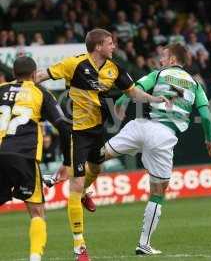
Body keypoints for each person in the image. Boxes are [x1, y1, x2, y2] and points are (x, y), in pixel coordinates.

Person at [35, 28, 168, 260]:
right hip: (77, 133)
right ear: (98, 46)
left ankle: (86, 190)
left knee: (97, 168)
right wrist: (21, 87)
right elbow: (40, 76)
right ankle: (80, 247)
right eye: (110, 43)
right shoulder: (73, 64)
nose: (114, 46)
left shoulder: (114, 68)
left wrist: (154, 98)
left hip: (98, 131)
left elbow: (133, 91)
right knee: (74, 188)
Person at [104, 43, 211, 255]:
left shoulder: (158, 74)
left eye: (163, 57)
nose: (160, 61)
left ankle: (58, 176)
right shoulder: (195, 85)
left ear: (173, 60)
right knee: (157, 193)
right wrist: (209, 141)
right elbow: (207, 117)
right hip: (164, 136)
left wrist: (119, 102)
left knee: (100, 155)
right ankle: (143, 244)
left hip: (141, 125)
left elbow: (132, 88)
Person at [0, 57, 70, 261]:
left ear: (13, 74)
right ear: (34, 74)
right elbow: (64, 127)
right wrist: (66, 163)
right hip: (23, 155)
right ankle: (34, 258)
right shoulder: (40, 92)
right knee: (37, 212)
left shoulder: (1, 89)